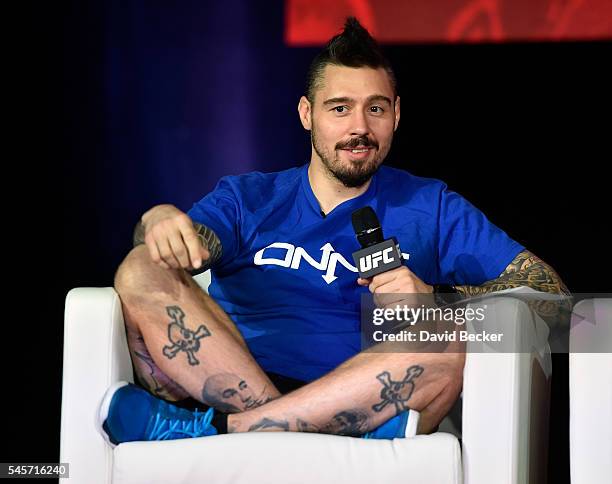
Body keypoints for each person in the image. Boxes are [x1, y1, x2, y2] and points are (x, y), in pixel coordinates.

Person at [99, 17, 569, 444]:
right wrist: (157, 221)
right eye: (340, 109)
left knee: (449, 336)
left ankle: (224, 435)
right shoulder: (248, 198)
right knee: (142, 265)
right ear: (307, 115)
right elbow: (180, 250)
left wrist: (435, 300)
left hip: (364, 398)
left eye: (376, 109)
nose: (359, 128)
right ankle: (279, 431)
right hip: (245, 379)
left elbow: (552, 298)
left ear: (397, 115)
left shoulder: (431, 205)